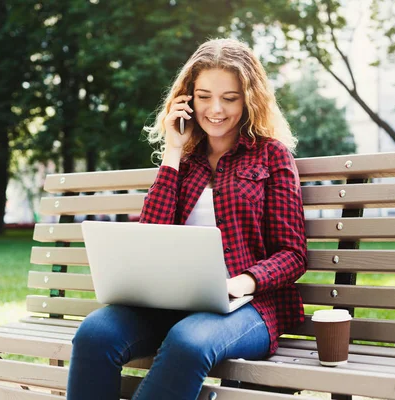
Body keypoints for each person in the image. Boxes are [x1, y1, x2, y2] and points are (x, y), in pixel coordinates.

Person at [67, 37, 307, 400]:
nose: (215, 109)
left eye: (230, 98)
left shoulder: (271, 156)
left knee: (188, 341)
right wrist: (173, 153)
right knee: (94, 334)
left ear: (249, 99)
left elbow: (293, 254)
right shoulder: (185, 159)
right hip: (170, 302)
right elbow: (151, 235)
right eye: (204, 96)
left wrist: (242, 283)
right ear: (188, 99)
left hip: (249, 306)